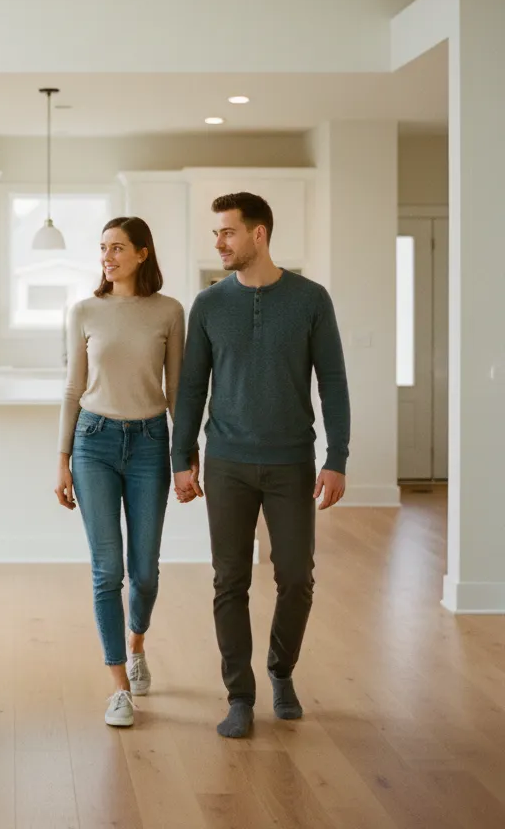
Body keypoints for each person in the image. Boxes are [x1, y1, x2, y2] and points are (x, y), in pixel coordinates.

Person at [171, 193, 350, 739]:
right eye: (216, 234)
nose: (219, 243)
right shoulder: (208, 304)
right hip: (226, 461)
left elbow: (334, 382)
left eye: (227, 232)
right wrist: (182, 458)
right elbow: (191, 388)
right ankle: (239, 695)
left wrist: (336, 457)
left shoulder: (311, 299)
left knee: (296, 578)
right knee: (230, 581)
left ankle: (281, 670)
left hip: (291, 461)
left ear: (259, 234)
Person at [56, 217, 186, 728]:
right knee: (107, 570)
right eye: (102, 249)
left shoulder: (170, 311)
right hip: (94, 443)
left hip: (152, 443)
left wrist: (184, 459)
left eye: (117, 248)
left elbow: (177, 391)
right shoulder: (85, 310)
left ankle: (137, 643)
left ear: (142, 253)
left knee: (146, 571)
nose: (107, 257)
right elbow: (72, 388)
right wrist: (62, 458)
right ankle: (118, 688)